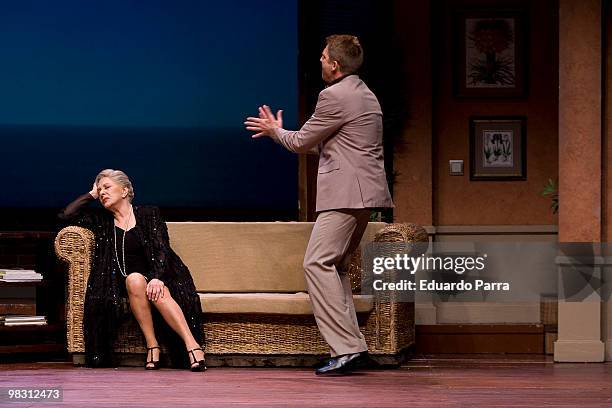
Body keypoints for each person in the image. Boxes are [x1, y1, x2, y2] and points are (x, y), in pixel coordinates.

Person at [245, 34, 393, 375]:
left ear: (335, 65)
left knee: (316, 264)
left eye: (324, 58)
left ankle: (346, 349)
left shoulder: (334, 96)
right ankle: (353, 347)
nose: (321, 62)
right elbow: (337, 146)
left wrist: (275, 132)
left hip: (344, 195)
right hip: (363, 195)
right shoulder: (364, 93)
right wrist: (286, 134)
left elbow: (300, 143)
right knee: (334, 266)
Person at [58, 169, 206, 371]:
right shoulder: (102, 221)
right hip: (122, 283)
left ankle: (192, 345)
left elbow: (162, 249)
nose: (102, 193)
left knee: (155, 290)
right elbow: (66, 215)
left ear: (125, 190)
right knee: (134, 279)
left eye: (107, 187)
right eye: (99, 190)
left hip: (160, 275)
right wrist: (91, 194)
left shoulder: (148, 213)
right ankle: (152, 344)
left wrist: (156, 277)